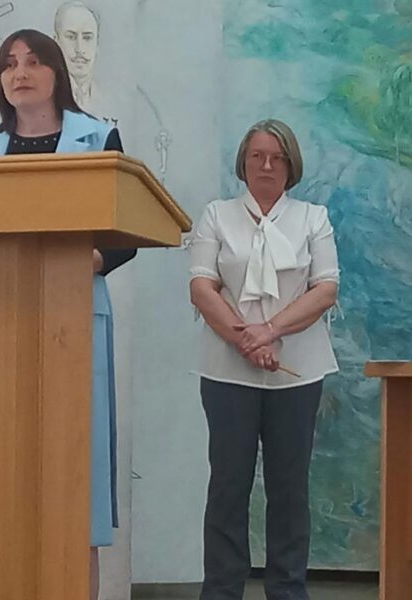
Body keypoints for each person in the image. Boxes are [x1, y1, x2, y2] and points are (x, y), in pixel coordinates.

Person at [0, 28, 136, 600]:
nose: (19, 72)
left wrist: (82, 261)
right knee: (1, 474)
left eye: (32, 61)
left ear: (56, 72)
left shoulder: (98, 137)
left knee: (73, 482)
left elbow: (126, 231)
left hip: (70, 315)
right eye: (9, 64)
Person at [188, 119, 340, 600]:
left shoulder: (313, 218)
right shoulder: (217, 215)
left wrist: (271, 331)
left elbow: (326, 289)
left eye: (276, 157)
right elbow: (201, 286)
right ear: (244, 162)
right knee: (228, 486)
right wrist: (246, 341)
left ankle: (288, 589)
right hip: (227, 372)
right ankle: (221, 590)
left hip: (298, 373)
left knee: (289, 489)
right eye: (257, 156)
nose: (266, 166)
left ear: (291, 165)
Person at [53, 1, 106, 116]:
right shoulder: (43, 98)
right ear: (56, 42)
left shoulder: (111, 100)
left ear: (97, 43)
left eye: (87, 38)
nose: (79, 49)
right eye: (71, 37)